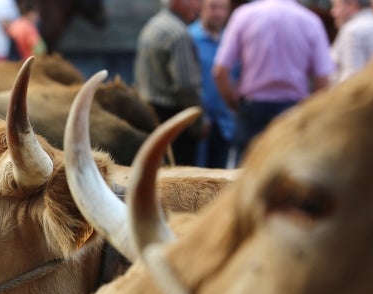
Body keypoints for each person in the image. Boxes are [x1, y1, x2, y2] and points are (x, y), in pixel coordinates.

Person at [213, 0, 334, 166]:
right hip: (293, 112)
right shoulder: (310, 20)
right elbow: (323, 80)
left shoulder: (244, 15)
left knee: (244, 177)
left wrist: (235, 104)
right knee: (288, 177)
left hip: (252, 109)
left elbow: (220, 72)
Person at [135, 0, 203, 166]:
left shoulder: (154, 24)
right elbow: (186, 86)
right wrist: (197, 123)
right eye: (195, 1)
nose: (198, 6)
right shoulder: (178, 34)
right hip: (174, 119)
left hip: (150, 113)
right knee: (181, 178)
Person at [188, 0, 236, 169]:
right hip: (198, 123)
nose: (219, 13)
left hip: (225, 123)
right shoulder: (189, 38)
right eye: (213, 7)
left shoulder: (231, 40)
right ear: (201, 8)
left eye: (223, 8)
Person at [330, 0, 373, 84]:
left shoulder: (351, 30)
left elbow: (350, 80)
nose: (333, 13)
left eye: (336, 6)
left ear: (352, 5)